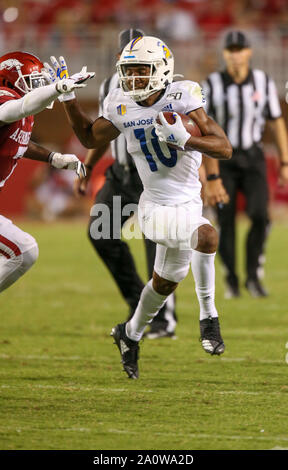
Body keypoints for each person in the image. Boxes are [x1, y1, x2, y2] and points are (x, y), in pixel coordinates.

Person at [47, 36, 232, 379]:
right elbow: (90, 138)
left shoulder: (184, 95)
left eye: (139, 71)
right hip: (154, 208)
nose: (132, 79)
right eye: (127, 71)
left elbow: (224, 147)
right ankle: (209, 319)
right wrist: (68, 97)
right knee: (206, 236)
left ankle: (128, 334)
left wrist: (187, 140)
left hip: (187, 204)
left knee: (165, 282)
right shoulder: (121, 102)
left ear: (162, 70)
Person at [75, 28, 178, 339]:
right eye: (125, 59)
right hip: (121, 174)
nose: (132, 68)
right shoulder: (110, 87)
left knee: (157, 243)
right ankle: (139, 302)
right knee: (100, 232)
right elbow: (102, 134)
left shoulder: (167, 87)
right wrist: (89, 166)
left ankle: (163, 320)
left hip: (154, 176)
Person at [202, 31, 288, 298]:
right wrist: (208, 173)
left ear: (249, 52)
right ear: (225, 53)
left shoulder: (262, 82)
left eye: (240, 49)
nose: (236, 54)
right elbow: (203, 129)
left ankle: (252, 276)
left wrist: (285, 160)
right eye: (231, 50)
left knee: (260, 215)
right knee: (225, 220)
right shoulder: (211, 84)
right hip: (222, 159)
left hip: (253, 157)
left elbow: (276, 121)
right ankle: (231, 278)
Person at [0, 51, 93, 292]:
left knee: (24, 250)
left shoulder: (24, 115)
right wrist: (57, 88)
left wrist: (54, 157)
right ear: (10, 80)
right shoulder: (6, 99)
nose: (38, 89)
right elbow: (14, 109)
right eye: (32, 83)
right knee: (24, 250)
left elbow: (18, 141)